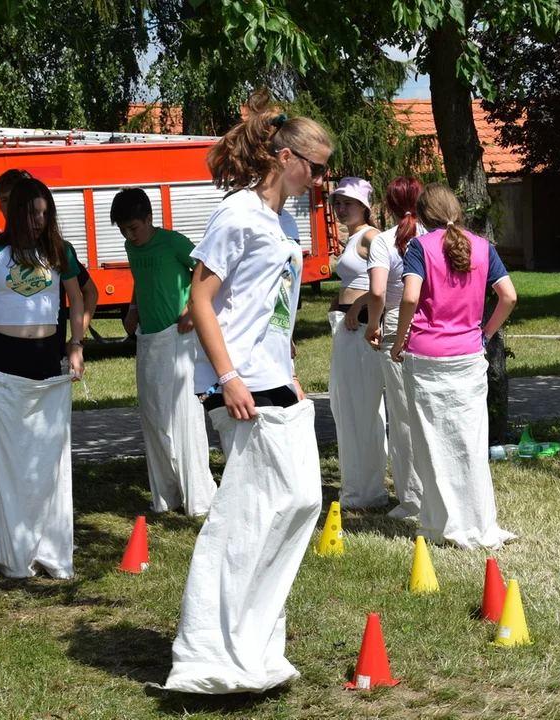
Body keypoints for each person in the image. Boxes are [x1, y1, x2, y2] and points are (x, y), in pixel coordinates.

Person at [164, 90, 332, 695]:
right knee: (249, 514)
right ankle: (210, 650)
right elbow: (200, 301)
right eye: (314, 167)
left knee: (300, 502)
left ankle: (255, 642)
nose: (320, 179)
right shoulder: (237, 213)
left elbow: (270, 303)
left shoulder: (282, 219)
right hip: (239, 386)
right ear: (285, 156)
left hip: (271, 379)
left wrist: (285, 361)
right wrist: (229, 377)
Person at [0, 178, 86, 578]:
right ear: (18, 212)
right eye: (34, 212)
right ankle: (14, 549)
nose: (42, 220)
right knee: (10, 455)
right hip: (3, 358)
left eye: (47, 213)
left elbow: (77, 297)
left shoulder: (57, 251)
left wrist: (76, 344)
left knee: (49, 454)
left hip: (46, 356)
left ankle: (50, 544)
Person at [390, 183, 518, 549]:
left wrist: (399, 340)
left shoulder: (419, 246)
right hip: (467, 355)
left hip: (427, 355)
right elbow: (509, 296)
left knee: (432, 444)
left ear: (422, 215)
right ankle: (480, 521)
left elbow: (411, 296)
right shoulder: (483, 247)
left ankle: (440, 524)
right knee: (471, 443)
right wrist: (485, 334)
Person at [111, 188, 216, 517]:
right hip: (149, 339)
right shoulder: (132, 247)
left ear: (148, 218)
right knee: (155, 417)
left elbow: (206, 272)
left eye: (134, 228)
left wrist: (191, 308)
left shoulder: (174, 241)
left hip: (179, 336)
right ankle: (167, 495)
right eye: (124, 231)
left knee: (183, 416)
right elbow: (140, 279)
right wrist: (133, 306)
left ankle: (198, 495)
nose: (130, 236)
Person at [0, 170, 98, 355]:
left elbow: (89, 292)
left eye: (15, 199)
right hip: (4, 350)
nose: (10, 207)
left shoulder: (55, 248)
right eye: (4, 200)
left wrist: (76, 340)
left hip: (49, 350)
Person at [365, 176, 426, 520]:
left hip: (394, 325)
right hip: (431, 324)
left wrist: (373, 324)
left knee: (402, 417)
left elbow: (377, 292)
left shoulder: (384, 241)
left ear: (388, 205)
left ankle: (413, 500)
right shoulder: (434, 239)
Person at [328, 176, 389, 509]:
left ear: (364, 206)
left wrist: (360, 305)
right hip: (346, 327)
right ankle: (357, 486)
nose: (340, 208)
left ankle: (366, 491)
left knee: (361, 407)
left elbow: (387, 281)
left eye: (348, 203)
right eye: (337, 202)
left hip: (364, 329)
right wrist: (338, 306)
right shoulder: (352, 239)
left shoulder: (371, 236)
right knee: (345, 407)